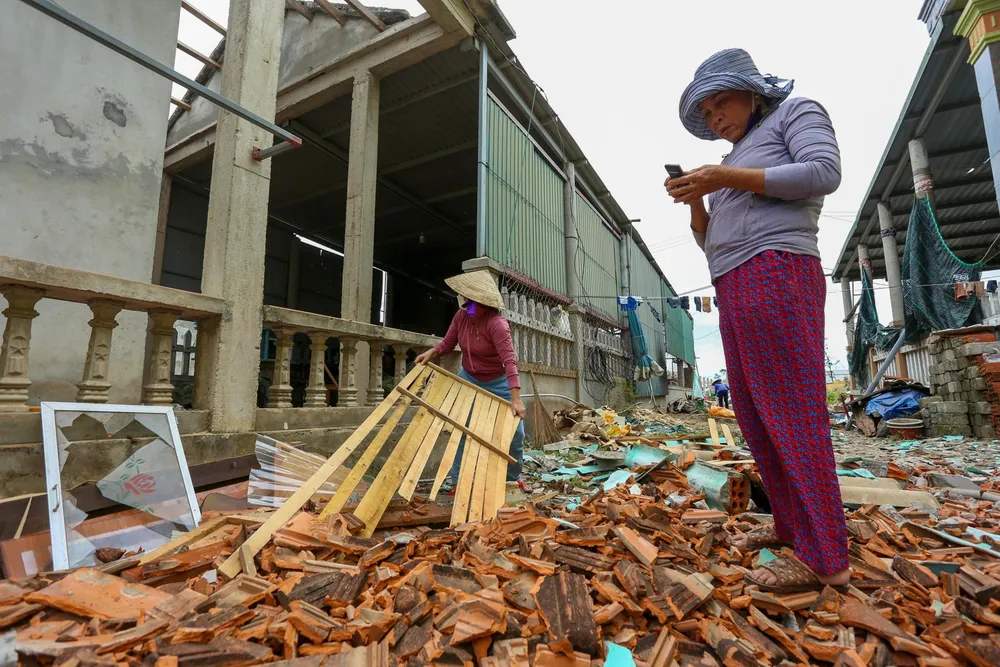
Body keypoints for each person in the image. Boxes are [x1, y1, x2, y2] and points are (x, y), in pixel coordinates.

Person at [665, 48, 849, 591]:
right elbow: (709, 241)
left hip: (777, 267)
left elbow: (824, 172)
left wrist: (723, 175)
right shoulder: (731, 165)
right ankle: (793, 527)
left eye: (722, 103)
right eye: (707, 113)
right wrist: (698, 201)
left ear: (753, 92)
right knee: (755, 412)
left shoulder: (797, 112)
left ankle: (827, 557)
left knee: (793, 410)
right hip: (734, 281)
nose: (715, 118)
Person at [414, 270, 527, 486]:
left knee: (516, 433)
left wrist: (516, 399)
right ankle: (458, 482)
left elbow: (509, 362)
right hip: (469, 377)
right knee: (461, 428)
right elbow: (448, 343)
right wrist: (432, 352)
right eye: (466, 301)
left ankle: (512, 479)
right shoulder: (461, 317)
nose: (467, 306)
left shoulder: (497, 325)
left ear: (484, 304)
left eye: (472, 303)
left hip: (498, 382)